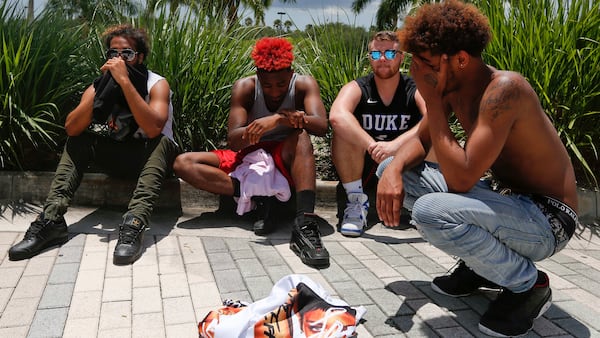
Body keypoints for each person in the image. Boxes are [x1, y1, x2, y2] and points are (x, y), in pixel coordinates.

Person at [376, 1, 579, 336]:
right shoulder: (454, 86)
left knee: (431, 211)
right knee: (389, 170)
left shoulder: (504, 90)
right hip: (510, 205)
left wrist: (430, 96)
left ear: (460, 60)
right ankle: (483, 267)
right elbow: (422, 142)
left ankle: (529, 286)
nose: (417, 73)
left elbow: (461, 178)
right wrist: (396, 169)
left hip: (549, 220)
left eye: (426, 64)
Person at [8, 24, 179, 265]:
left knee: (161, 141)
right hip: (119, 155)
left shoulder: (156, 84)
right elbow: (72, 128)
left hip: (151, 159)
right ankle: (51, 220)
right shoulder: (99, 84)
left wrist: (125, 83)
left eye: (126, 54)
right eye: (113, 54)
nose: (119, 60)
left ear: (140, 57)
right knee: (81, 138)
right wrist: (104, 90)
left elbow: (153, 128)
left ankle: (134, 224)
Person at [173, 37, 330, 268]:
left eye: (281, 84)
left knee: (302, 137)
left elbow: (321, 126)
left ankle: (305, 224)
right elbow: (234, 142)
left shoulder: (304, 84)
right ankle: (258, 197)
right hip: (250, 154)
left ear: (291, 74)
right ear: (257, 76)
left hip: (284, 155)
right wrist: (260, 126)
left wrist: (276, 119)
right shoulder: (245, 87)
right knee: (182, 163)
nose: (275, 91)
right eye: (267, 85)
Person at [329, 31, 427, 237]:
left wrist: (394, 146)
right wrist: (371, 144)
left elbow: (434, 118)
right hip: (364, 161)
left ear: (401, 57)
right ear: (369, 58)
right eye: (376, 54)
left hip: (404, 159)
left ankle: (427, 206)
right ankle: (356, 202)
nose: (383, 59)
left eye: (390, 53)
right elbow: (337, 115)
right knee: (342, 132)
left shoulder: (414, 88)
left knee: (434, 134)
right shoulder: (358, 87)